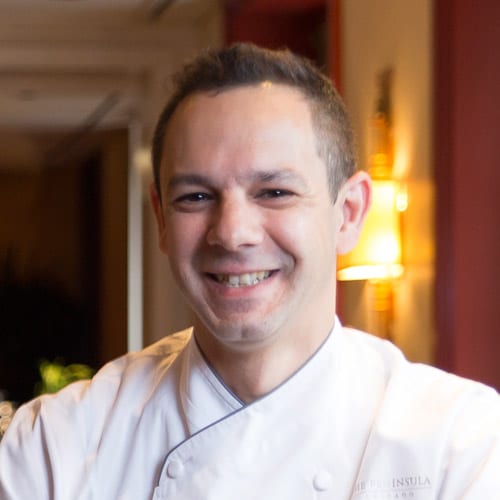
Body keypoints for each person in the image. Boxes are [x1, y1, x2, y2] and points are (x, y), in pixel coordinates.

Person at [0, 43, 498, 500]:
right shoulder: (57, 446)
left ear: (348, 214)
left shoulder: (461, 445)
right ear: (161, 220)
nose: (232, 233)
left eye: (275, 192)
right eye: (196, 197)